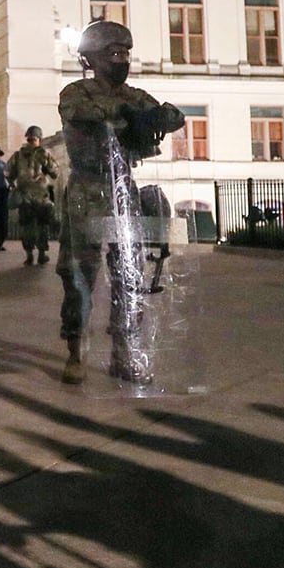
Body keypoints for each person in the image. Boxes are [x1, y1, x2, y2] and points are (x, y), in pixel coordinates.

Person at [57, 20, 184, 385]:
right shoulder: (77, 91)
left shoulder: (135, 95)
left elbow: (173, 116)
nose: (121, 59)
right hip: (86, 189)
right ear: (92, 58)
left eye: (125, 53)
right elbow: (78, 114)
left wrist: (156, 116)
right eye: (113, 53)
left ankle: (124, 351)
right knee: (80, 275)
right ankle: (76, 349)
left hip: (123, 190)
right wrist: (124, 116)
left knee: (128, 275)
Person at [6, 125, 59, 266]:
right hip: (41, 196)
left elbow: (7, 173)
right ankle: (42, 254)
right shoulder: (44, 154)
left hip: (25, 196)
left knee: (27, 226)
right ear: (39, 139)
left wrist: (13, 185)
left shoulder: (18, 155)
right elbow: (55, 172)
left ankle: (29, 255)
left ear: (27, 138)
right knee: (43, 225)